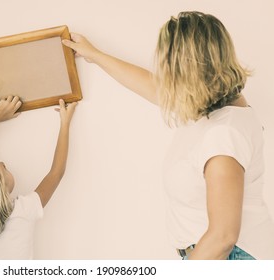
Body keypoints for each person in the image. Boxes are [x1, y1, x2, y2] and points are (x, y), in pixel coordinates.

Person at [62, 11, 274, 260]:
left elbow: (222, 238)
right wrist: (96, 56)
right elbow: (154, 88)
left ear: (187, 70)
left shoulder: (222, 134)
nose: (164, 74)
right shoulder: (219, 108)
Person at [0, 91, 77, 259]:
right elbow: (56, 172)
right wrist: (65, 123)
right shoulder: (21, 211)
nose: (2, 163)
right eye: (1, 168)